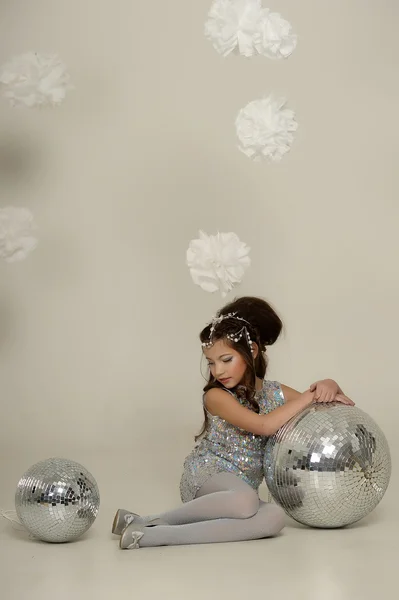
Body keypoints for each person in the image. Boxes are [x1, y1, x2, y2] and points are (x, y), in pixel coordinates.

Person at [113, 296, 354, 550]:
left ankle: (150, 535)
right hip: (208, 478)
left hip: (242, 492)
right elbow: (264, 425)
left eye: (226, 360)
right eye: (211, 362)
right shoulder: (216, 396)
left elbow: (324, 408)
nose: (217, 371)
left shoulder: (274, 392)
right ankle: (149, 520)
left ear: (251, 351)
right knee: (246, 501)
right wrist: (309, 394)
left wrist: (329, 384)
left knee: (274, 517)